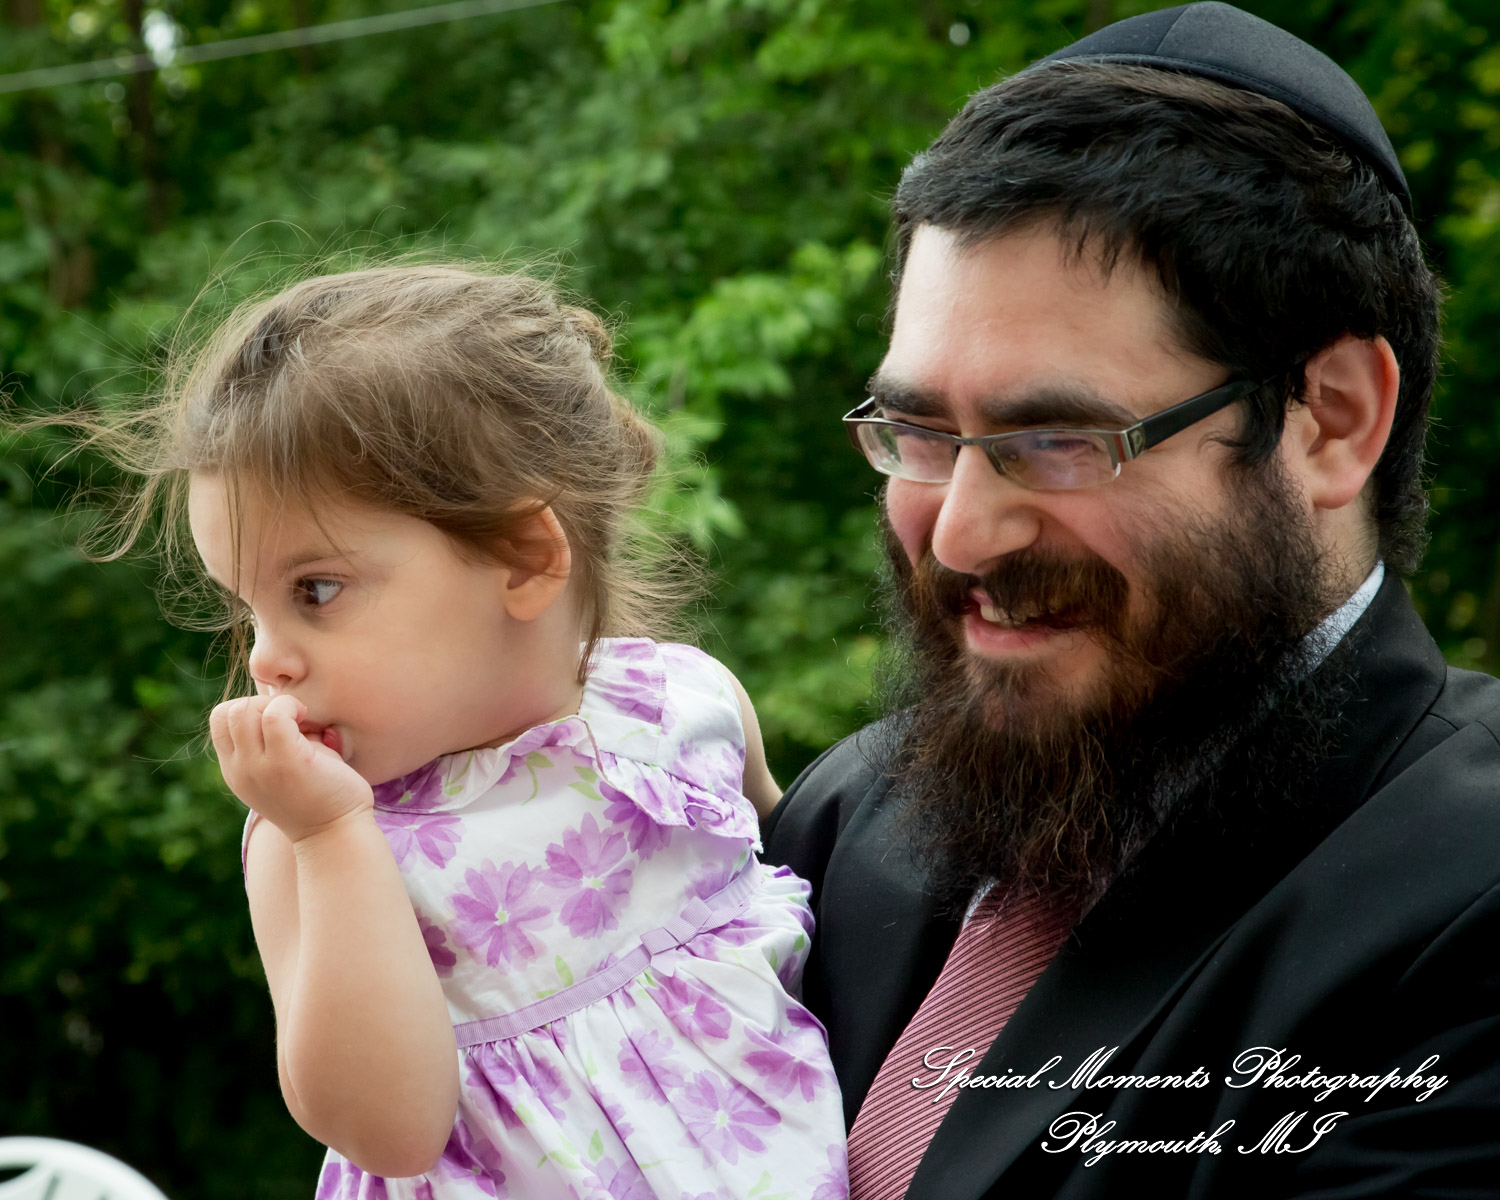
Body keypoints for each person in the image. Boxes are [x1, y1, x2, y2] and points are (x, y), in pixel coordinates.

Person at [762, 4, 1500, 1198]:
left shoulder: (1472, 910)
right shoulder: (849, 815)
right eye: (919, 433)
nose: (959, 531)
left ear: (1335, 419)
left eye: (1055, 438)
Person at [91, 266, 848, 1198]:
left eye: (315, 593)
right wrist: (331, 838)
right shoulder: (318, 841)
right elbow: (390, 1130)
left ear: (525, 559)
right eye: (248, 609)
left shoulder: (677, 708)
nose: (266, 659)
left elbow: (834, 912)